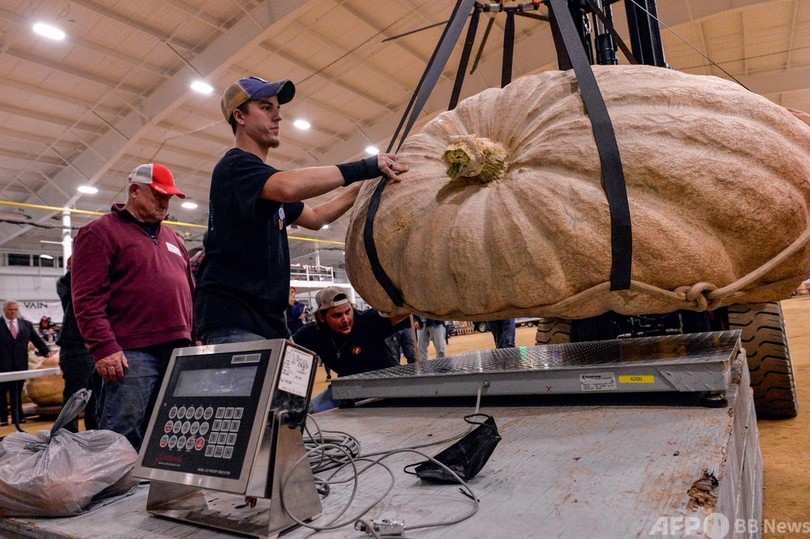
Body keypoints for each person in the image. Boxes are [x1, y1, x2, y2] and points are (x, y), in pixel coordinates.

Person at [194, 76, 408, 346]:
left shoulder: (263, 184)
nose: (278, 116)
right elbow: (288, 187)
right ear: (240, 116)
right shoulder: (236, 167)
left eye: (278, 108)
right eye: (266, 107)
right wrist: (365, 167)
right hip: (236, 318)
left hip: (268, 321)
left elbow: (316, 217)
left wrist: (364, 187)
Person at [72, 163, 194, 451]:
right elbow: (87, 297)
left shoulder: (173, 238)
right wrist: (104, 347)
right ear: (135, 191)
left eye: (168, 197)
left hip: (178, 348)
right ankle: (114, 479)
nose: (164, 203)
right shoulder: (99, 233)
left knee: (171, 426)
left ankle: (154, 480)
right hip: (131, 353)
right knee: (123, 431)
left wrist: (195, 334)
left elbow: (190, 289)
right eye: (158, 195)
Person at [292, 287, 409, 412]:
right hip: (347, 390)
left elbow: (404, 311)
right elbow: (286, 348)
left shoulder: (368, 321)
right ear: (322, 317)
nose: (345, 320)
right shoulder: (311, 333)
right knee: (308, 413)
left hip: (385, 387)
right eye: (337, 315)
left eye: (348, 312)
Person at [56, 257, 101, 433]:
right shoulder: (65, 283)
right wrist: (79, 266)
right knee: (75, 396)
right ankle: (66, 435)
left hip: (91, 347)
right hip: (75, 347)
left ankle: (93, 435)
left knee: (94, 396)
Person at [0, 300, 52, 426]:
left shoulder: (26, 325)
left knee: (17, 391)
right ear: (4, 310)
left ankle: (18, 417)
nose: (13, 312)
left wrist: (46, 352)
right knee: (1, 392)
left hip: (20, 364)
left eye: (15, 310)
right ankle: (3, 418)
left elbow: (36, 339)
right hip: (2, 365)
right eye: (10, 310)